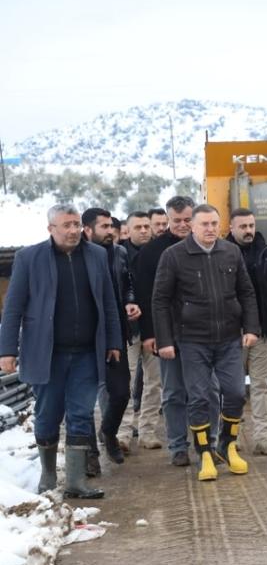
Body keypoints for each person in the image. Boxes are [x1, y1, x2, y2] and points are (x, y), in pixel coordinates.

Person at [0, 204, 121, 498]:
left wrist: (114, 342)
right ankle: (48, 476)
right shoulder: (30, 258)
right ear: (50, 229)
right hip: (46, 353)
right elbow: (13, 307)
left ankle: (77, 482)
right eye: (66, 225)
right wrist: (6, 350)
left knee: (81, 413)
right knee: (47, 414)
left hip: (86, 353)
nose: (72, 230)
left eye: (76, 224)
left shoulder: (96, 255)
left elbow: (108, 301)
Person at [152, 204, 260, 481]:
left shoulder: (231, 251)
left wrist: (251, 327)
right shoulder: (173, 256)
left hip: (228, 338)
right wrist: (165, 340)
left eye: (214, 223)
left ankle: (227, 443)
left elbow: (246, 292)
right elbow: (160, 300)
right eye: (205, 224)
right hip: (192, 340)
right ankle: (205, 454)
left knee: (235, 393)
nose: (210, 229)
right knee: (198, 397)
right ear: (192, 227)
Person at [225, 208, 267, 456]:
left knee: (262, 386)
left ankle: (263, 437)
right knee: (231, 388)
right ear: (231, 228)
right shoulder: (221, 254)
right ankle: (230, 437)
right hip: (231, 334)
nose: (248, 231)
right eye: (243, 226)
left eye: (251, 226)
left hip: (263, 333)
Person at [135, 196, 194, 465]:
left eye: (187, 219)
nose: (183, 225)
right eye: (177, 220)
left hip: (203, 333)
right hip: (167, 333)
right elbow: (146, 297)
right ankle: (178, 446)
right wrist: (151, 334)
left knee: (205, 392)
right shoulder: (151, 253)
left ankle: (207, 443)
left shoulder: (208, 246)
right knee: (172, 393)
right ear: (167, 220)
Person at [82, 207, 139, 467]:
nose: (110, 232)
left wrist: (129, 302)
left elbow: (127, 283)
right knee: (82, 400)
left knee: (121, 393)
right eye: (103, 227)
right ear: (88, 230)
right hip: (85, 337)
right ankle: (90, 455)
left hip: (115, 332)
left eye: (111, 227)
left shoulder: (119, 252)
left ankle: (109, 432)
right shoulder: (79, 255)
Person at [119, 210, 157, 449]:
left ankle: (148, 432)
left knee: (155, 383)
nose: (143, 231)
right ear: (128, 230)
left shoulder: (160, 252)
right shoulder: (118, 255)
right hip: (127, 329)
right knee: (126, 381)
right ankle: (122, 433)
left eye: (146, 226)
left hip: (155, 327)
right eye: (138, 227)